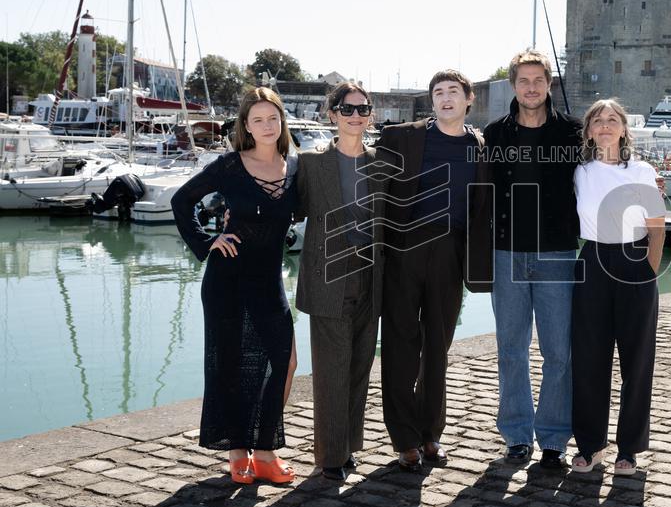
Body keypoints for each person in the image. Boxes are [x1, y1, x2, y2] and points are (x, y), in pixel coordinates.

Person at [171, 86, 299, 485]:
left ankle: (265, 450)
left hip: (268, 281)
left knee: (285, 361)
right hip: (227, 279)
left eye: (272, 118)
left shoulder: (295, 168)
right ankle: (237, 451)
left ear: (282, 122)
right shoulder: (229, 165)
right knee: (229, 363)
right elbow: (181, 201)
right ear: (246, 125)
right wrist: (208, 242)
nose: (266, 125)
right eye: (257, 119)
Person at [376, 69, 492, 472]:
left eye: (453, 92)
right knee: (400, 344)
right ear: (432, 101)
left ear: (468, 99)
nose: (445, 98)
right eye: (438, 92)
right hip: (405, 248)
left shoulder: (481, 145)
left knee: (437, 349)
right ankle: (404, 438)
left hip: (451, 253)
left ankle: (430, 434)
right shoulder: (402, 136)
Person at [482, 50, 581, 469]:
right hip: (506, 252)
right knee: (511, 349)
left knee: (559, 351)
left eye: (538, 80)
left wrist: (646, 179)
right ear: (513, 85)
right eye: (524, 81)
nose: (531, 88)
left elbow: (606, 168)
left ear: (549, 84)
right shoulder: (494, 135)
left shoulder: (573, 134)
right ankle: (517, 436)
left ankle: (555, 437)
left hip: (557, 251)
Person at [569, 99, 666, 476]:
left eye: (612, 120)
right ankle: (591, 446)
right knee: (589, 358)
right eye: (598, 120)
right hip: (592, 261)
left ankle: (629, 448)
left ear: (624, 129)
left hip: (634, 262)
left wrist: (648, 271)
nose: (605, 126)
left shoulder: (642, 171)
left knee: (636, 360)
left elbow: (657, 228)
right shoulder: (579, 172)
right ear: (589, 131)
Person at [295, 82, 384, 481]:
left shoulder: (382, 162)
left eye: (362, 109)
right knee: (332, 370)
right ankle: (330, 457)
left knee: (360, 365)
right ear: (332, 115)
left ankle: (348, 446)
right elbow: (289, 209)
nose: (355, 116)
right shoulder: (311, 163)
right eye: (347, 110)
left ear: (370, 115)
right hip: (328, 277)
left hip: (371, 276)